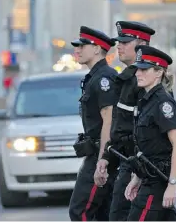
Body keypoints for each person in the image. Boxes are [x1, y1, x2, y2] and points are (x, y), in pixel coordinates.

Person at [94, 21, 155, 221]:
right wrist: (105, 157)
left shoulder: (148, 79)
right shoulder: (125, 79)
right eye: (119, 41)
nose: (119, 46)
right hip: (128, 161)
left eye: (126, 42)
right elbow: (119, 127)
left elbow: (154, 131)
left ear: (143, 44)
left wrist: (140, 169)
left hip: (145, 164)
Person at [124, 45, 176, 221]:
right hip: (149, 176)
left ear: (158, 73)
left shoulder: (163, 103)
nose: (137, 74)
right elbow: (147, 147)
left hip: (160, 179)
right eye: (137, 69)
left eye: (144, 69)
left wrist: (172, 184)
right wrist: (137, 178)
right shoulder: (146, 101)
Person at [69, 26, 119, 221]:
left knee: (80, 211)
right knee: (103, 214)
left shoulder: (104, 78)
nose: (77, 50)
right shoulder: (95, 77)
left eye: (83, 46)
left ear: (97, 49)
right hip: (99, 153)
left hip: (101, 154)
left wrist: (102, 160)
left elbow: (109, 120)